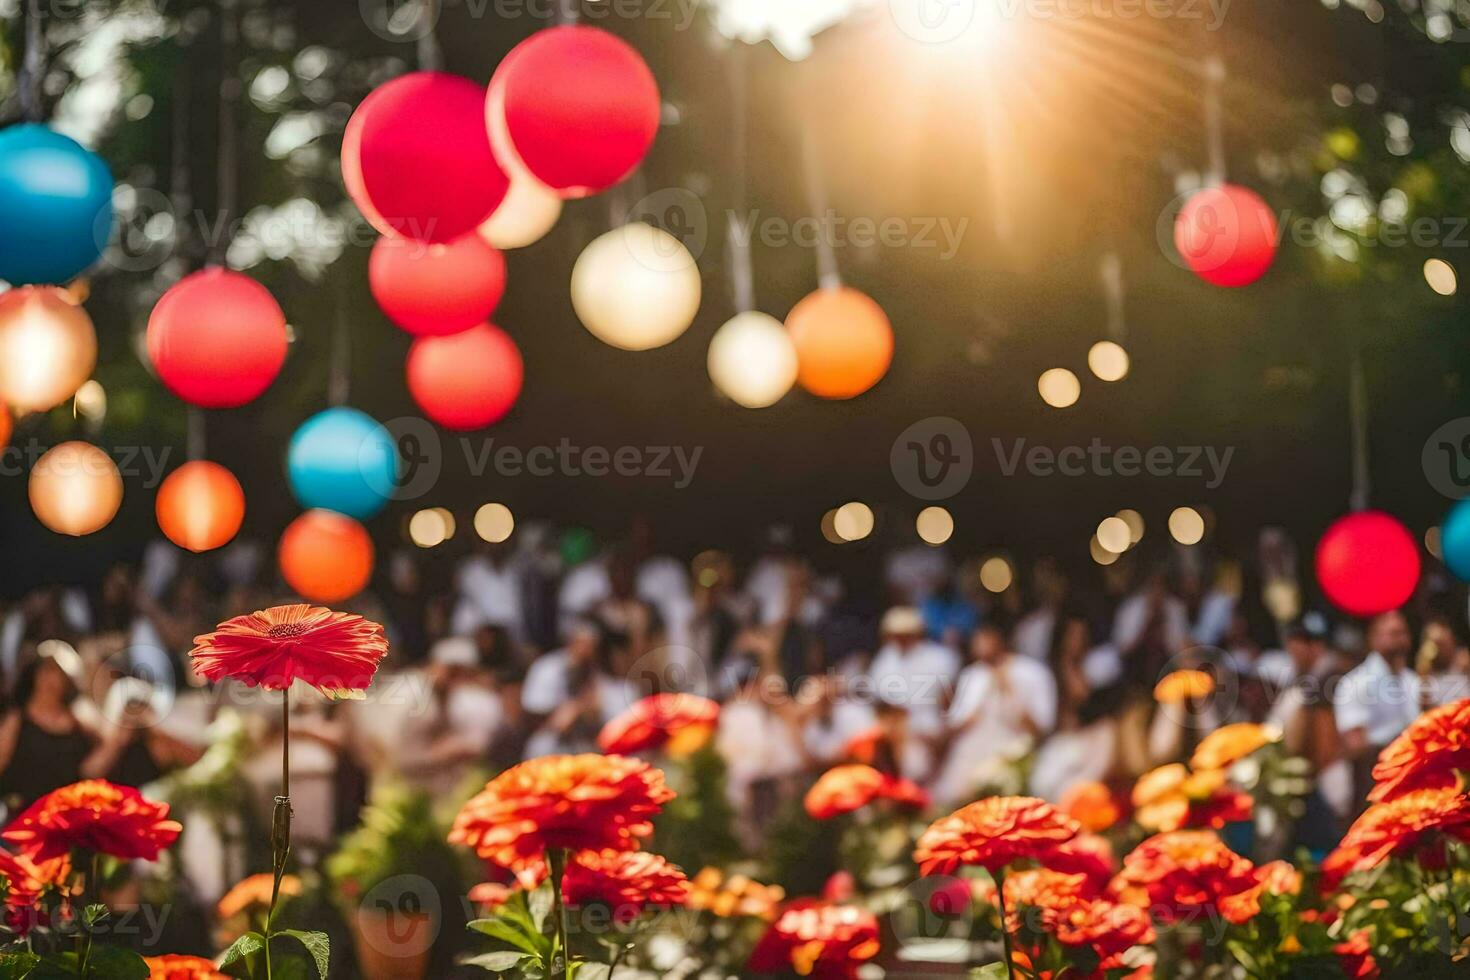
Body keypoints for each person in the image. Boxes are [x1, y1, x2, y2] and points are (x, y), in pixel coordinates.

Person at [934, 624, 1056, 805]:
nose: (979, 644)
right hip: (970, 752)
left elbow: (1041, 729)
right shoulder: (972, 674)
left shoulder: (1033, 673)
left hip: (1014, 752)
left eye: (985, 637)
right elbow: (956, 725)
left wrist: (1008, 688)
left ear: (1000, 639)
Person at [1333, 609, 1420, 810]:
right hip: (1375, 789)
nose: (1400, 640)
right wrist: (1408, 732)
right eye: (1393, 633)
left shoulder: (1414, 681)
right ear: (1373, 638)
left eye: (1403, 633)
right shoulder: (1354, 684)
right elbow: (1355, 745)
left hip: (1415, 785)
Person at [0, 653, 106, 811]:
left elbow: (100, 754)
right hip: (25, 813)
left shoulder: (79, 721)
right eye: (46, 670)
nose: (51, 679)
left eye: (58, 673)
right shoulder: (17, 720)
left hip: (68, 811)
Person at [866, 606, 959, 742]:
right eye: (895, 634)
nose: (900, 639)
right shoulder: (885, 657)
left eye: (905, 634)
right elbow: (876, 696)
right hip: (893, 724)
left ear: (917, 633)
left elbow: (948, 699)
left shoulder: (940, 657)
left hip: (928, 724)